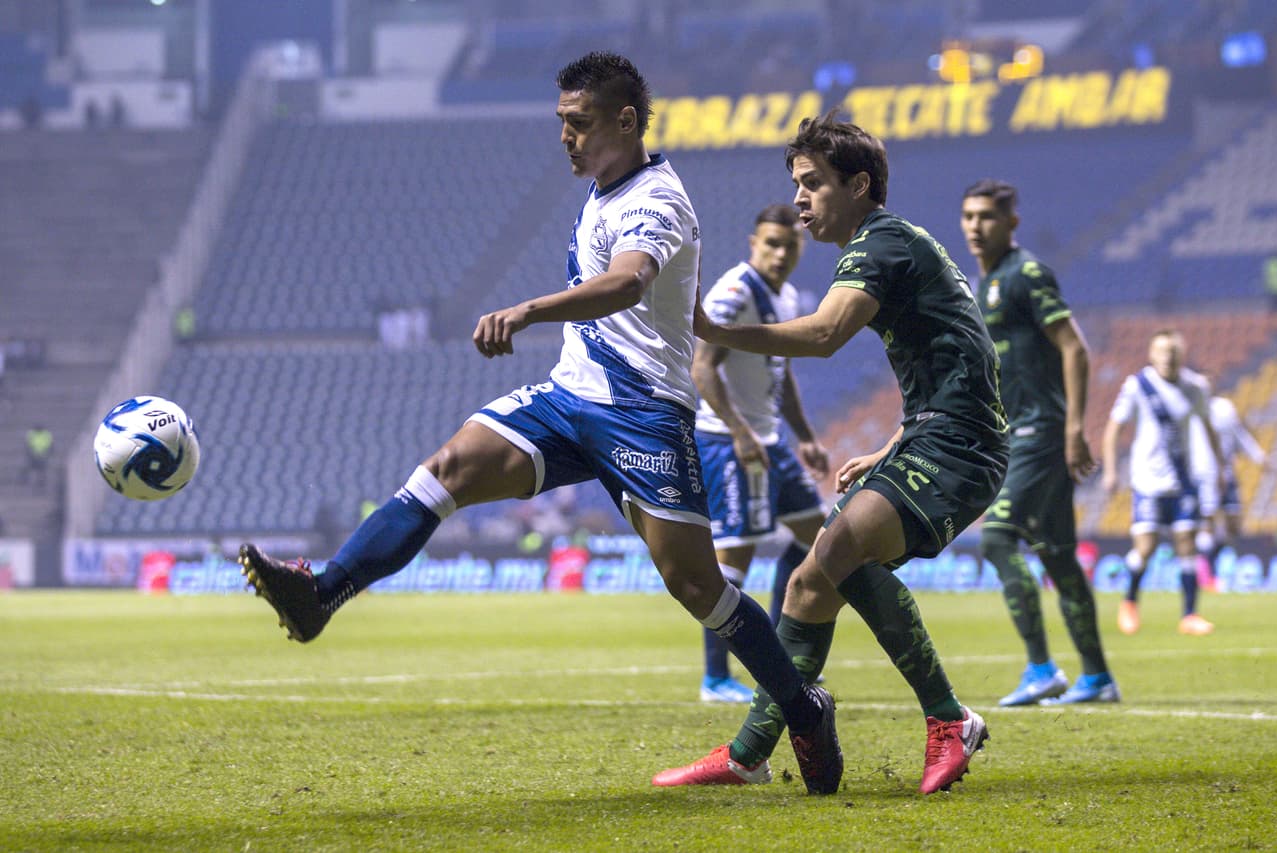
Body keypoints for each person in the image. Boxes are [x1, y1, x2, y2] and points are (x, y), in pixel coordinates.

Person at [237, 52, 841, 796]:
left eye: (579, 123)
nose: (566, 137)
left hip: (643, 414)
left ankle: (805, 708)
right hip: (568, 397)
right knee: (448, 468)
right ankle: (320, 594)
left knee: (697, 586)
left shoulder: (658, 198)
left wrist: (529, 309)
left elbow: (625, 283)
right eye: (560, 123)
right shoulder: (600, 188)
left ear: (625, 120)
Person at [653, 111, 1008, 795]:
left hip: (960, 446)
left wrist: (710, 327)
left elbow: (823, 336)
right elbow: (961, 357)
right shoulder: (894, 243)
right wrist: (893, 442)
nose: (801, 200)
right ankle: (751, 751)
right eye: (797, 184)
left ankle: (948, 717)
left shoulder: (878, 242)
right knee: (809, 583)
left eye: (813, 183)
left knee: (837, 550)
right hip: (941, 434)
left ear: (859, 183)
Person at [960, 179, 1118, 707]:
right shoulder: (985, 286)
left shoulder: (1026, 274)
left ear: (1011, 223)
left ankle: (1041, 669)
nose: (975, 227)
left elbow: (1075, 349)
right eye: (968, 216)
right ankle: (1096, 677)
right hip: (1016, 434)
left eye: (986, 216)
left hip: (1040, 432)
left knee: (998, 538)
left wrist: (1074, 428)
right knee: (1058, 557)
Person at [691, 203, 830, 703]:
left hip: (771, 439)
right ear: (754, 243)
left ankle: (775, 646)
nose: (779, 253)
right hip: (729, 442)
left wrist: (806, 435)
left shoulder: (788, 294)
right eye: (771, 243)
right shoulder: (735, 292)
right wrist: (740, 431)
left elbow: (781, 370)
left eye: (789, 245)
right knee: (733, 560)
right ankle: (715, 678)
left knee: (818, 539)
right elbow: (702, 366)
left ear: (800, 247)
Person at [1102, 329, 1223, 636]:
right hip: (1148, 481)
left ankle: (1190, 615)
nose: (1168, 357)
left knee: (1187, 546)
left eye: (1173, 352)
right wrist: (1111, 470)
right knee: (1146, 547)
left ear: (1182, 355)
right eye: (1162, 351)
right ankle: (1129, 603)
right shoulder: (1138, 386)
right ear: (1152, 355)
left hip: (1183, 480)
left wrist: (1220, 467)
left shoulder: (1195, 387)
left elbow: (1208, 427)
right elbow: (1114, 428)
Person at [1188, 377, 1268, 588]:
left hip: (1227, 473)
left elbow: (1239, 435)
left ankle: (1208, 560)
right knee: (1208, 523)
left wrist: (1259, 457)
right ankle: (1208, 574)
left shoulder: (1225, 409)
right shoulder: (1190, 412)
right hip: (1203, 476)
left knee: (1233, 525)